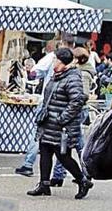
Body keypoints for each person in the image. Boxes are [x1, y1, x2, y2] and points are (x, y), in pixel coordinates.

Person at [27, 48, 94, 199]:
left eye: (55, 59)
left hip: (62, 126)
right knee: (44, 151)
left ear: (63, 62)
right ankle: (44, 184)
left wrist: (62, 118)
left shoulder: (72, 77)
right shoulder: (57, 75)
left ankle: (82, 180)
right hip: (48, 122)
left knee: (63, 156)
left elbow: (77, 100)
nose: (53, 62)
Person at [15, 40, 67, 176]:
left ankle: (29, 164)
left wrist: (28, 73)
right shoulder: (72, 63)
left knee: (40, 134)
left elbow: (34, 73)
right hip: (62, 106)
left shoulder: (51, 58)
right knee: (63, 139)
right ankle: (59, 174)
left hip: (48, 102)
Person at [50, 47, 95, 186]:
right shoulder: (75, 73)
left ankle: (84, 173)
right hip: (73, 112)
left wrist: (64, 114)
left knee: (73, 145)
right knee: (65, 145)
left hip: (76, 113)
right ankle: (60, 175)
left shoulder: (83, 74)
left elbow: (83, 96)